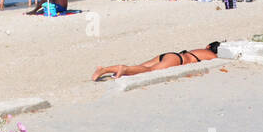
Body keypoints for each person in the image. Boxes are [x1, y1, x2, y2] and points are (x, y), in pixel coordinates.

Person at [92, 42, 221, 81]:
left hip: (171, 54)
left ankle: (104, 69)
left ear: (209, 46)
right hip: (178, 60)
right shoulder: (211, 55)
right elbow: (216, 61)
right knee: (150, 71)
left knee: (140, 67)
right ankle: (123, 69)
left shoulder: (201, 50)